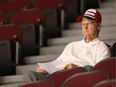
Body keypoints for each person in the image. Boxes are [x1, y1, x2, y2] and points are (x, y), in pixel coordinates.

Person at [23, 9, 110, 83]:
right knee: (30, 75)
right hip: (60, 79)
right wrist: (46, 71)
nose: (85, 27)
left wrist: (78, 68)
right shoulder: (71, 45)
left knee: (86, 68)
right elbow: (58, 65)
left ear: (99, 26)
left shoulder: (101, 48)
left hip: (78, 80)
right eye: (83, 24)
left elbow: (99, 73)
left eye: (89, 23)